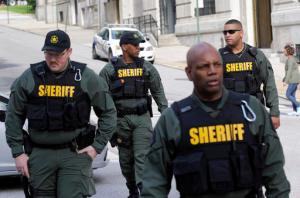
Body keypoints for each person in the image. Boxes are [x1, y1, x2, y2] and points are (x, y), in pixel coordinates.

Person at [141, 42, 290, 198]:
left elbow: (275, 175)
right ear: (189, 73)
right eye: (203, 66)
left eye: (217, 65)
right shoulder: (174, 119)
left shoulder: (251, 110)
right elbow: (154, 183)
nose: (212, 71)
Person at [5, 29, 117, 198]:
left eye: (58, 54)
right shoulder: (29, 78)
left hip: (74, 154)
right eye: (48, 53)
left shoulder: (85, 77)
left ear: (69, 52)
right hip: (40, 154)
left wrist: (97, 146)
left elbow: (108, 112)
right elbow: (13, 115)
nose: (52, 58)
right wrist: (18, 152)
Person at [99, 31, 168, 198]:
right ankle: (132, 190)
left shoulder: (146, 67)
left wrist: (166, 114)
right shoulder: (109, 70)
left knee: (142, 156)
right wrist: (108, 124)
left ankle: (145, 192)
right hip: (120, 121)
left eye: (140, 45)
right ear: (124, 47)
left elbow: (158, 91)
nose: (139, 48)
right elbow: (100, 100)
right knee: (126, 162)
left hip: (142, 119)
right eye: (135, 45)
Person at [219, 19, 281, 129]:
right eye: (225, 32)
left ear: (241, 33)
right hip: (228, 111)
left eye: (231, 31)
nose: (227, 35)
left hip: (254, 109)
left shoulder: (256, 55)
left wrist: (274, 113)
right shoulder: (219, 56)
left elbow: (269, 83)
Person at [283, 44, 300, 116]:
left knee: (288, 94)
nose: (283, 52)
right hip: (294, 79)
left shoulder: (290, 60)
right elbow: (289, 71)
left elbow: (289, 70)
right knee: (292, 95)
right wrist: (284, 78)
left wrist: (286, 81)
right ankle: (295, 110)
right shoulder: (291, 59)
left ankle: (298, 105)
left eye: (284, 51)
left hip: (293, 79)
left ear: (288, 51)